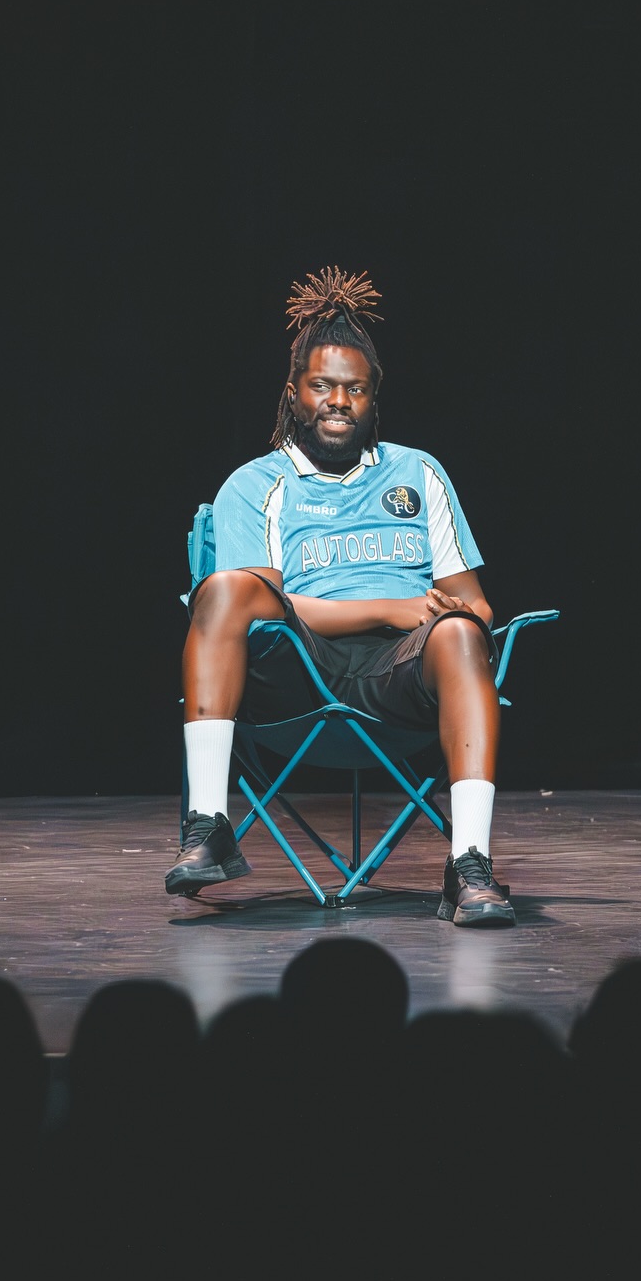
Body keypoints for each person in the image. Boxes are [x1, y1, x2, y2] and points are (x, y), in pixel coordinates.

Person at [169, 267, 513, 925]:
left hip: (401, 676)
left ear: (373, 397)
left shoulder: (420, 473)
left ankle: (470, 867)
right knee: (219, 592)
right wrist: (389, 606)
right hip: (296, 675)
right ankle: (208, 825)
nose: (337, 401)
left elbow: (478, 603)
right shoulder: (257, 484)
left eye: (354, 389)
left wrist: (440, 620)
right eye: (322, 386)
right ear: (295, 395)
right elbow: (255, 606)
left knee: (465, 631)